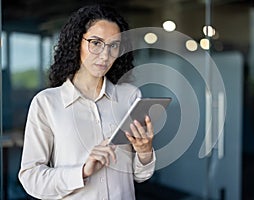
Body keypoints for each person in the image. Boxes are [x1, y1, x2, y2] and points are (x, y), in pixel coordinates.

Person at [18, 4, 155, 200]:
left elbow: (140, 175)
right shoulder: (47, 103)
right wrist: (81, 171)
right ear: (77, 43)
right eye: (96, 42)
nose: (105, 55)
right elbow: (31, 178)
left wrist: (145, 152)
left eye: (113, 45)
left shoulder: (130, 97)